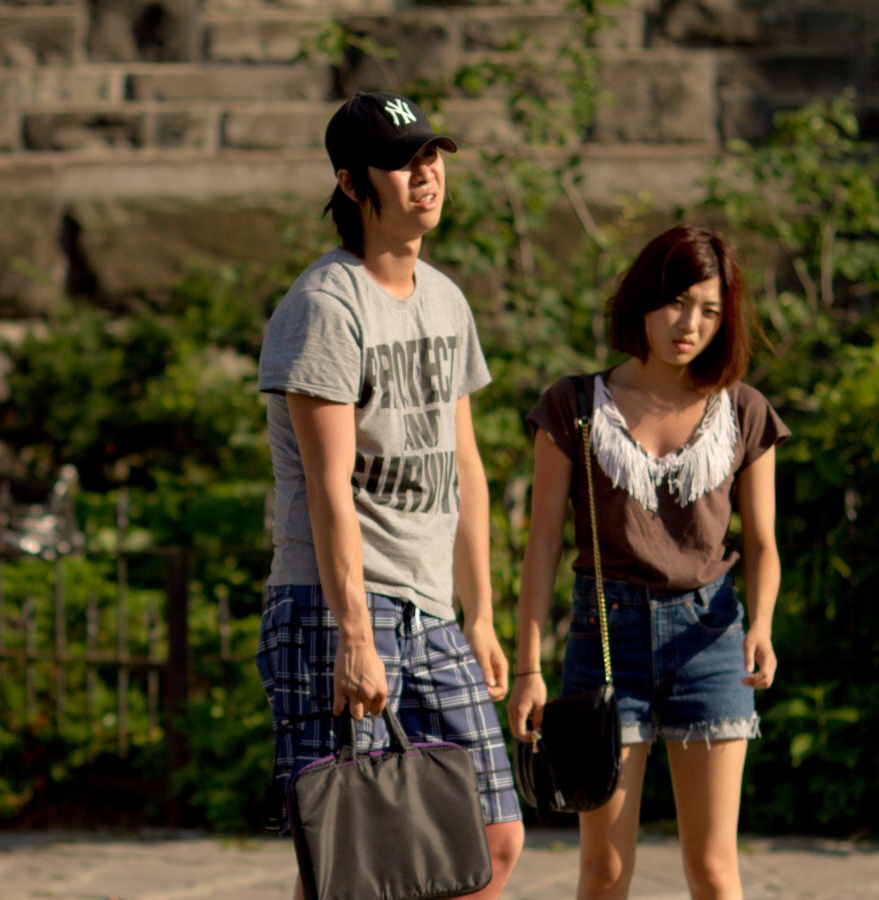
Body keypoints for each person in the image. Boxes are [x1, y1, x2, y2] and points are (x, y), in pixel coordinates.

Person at [255, 90, 523, 899]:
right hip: (336, 608)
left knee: (494, 838)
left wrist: (479, 613)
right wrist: (355, 636)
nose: (426, 175)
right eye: (403, 164)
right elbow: (328, 488)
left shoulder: (444, 298)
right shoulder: (325, 306)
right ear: (350, 182)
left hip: (431, 609)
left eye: (431, 157)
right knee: (351, 860)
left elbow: (464, 466)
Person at [508, 224, 788, 899]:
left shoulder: (743, 409)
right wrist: (527, 667)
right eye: (677, 302)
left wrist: (762, 625)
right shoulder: (575, 407)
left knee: (714, 872)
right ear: (643, 300)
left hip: (710, 639)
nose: (690, 325)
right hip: (605, 637)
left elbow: (761, 544)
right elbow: (543, 542)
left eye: (710, 310)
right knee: (604, 870)